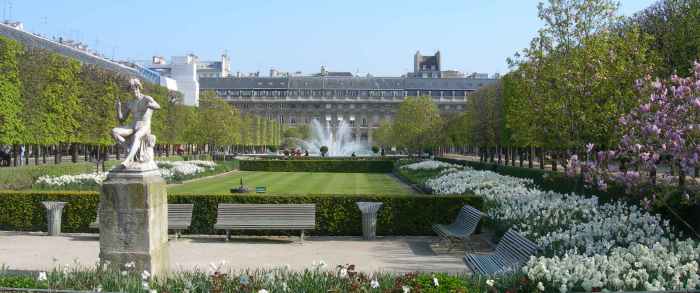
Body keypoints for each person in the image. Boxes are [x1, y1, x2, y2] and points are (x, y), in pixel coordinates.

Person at [111, 78, 161, 169]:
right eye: (131, 90)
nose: (133, 92)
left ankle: (127, 160)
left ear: (138, 88)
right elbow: (122, 119)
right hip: (133, 125)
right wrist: (118, 108)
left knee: (137, 136)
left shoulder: (146, 98)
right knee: (114, 131)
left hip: (144, 125)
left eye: (134, 89)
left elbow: (158, 106)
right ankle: (129, 148)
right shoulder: (130, 103)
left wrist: (150, 105)